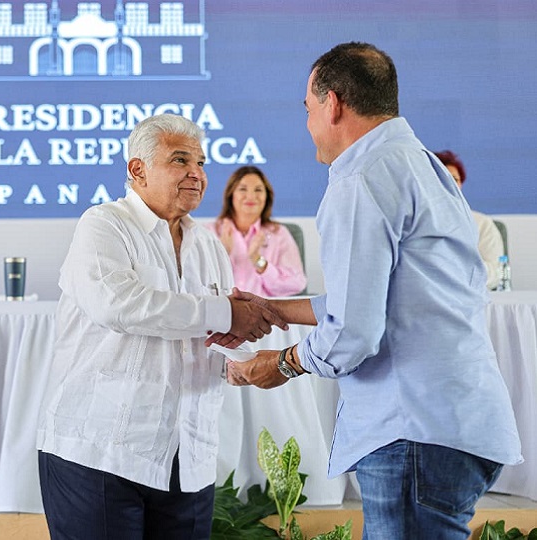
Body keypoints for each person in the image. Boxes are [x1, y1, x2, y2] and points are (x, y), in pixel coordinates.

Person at [209, 43, 522, 539]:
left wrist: (283, 362)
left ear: (333, 104)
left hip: (412, 430)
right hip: (452, 423)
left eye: (308, 110)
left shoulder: (360, 177)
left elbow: (355, 330)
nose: (308, 125)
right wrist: (273, 309)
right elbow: (389, 301)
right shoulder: (421, 164)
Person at [36, 113, 286, 540]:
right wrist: (226, 313)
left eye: (202, 163)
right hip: (101, 454)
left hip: (187, 457)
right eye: (180, 161)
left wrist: (240, 364)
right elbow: (120, 306)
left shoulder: (208, 244)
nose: (197, 174)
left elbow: (206, 340)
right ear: (138, 169)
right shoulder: (104, 224)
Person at [209, 166, 307, 296]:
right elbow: (196, 283)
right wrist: (221, 255)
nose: (250, 196)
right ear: (231, 195)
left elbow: (297, 283)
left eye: (258, 190)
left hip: (263, 313)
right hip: (221, 312)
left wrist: (258, 261)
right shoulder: (209, 232)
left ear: (267, 197)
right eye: (243, 189)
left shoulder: (279, 234)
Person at [434, 150, 505, 290]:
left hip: (473, 299)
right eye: (440, 178)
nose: (448, 185)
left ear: (461, 184)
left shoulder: (481, 223)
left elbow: (496, 272)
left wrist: (458, 268)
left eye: (454, 179)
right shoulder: (414, 223)